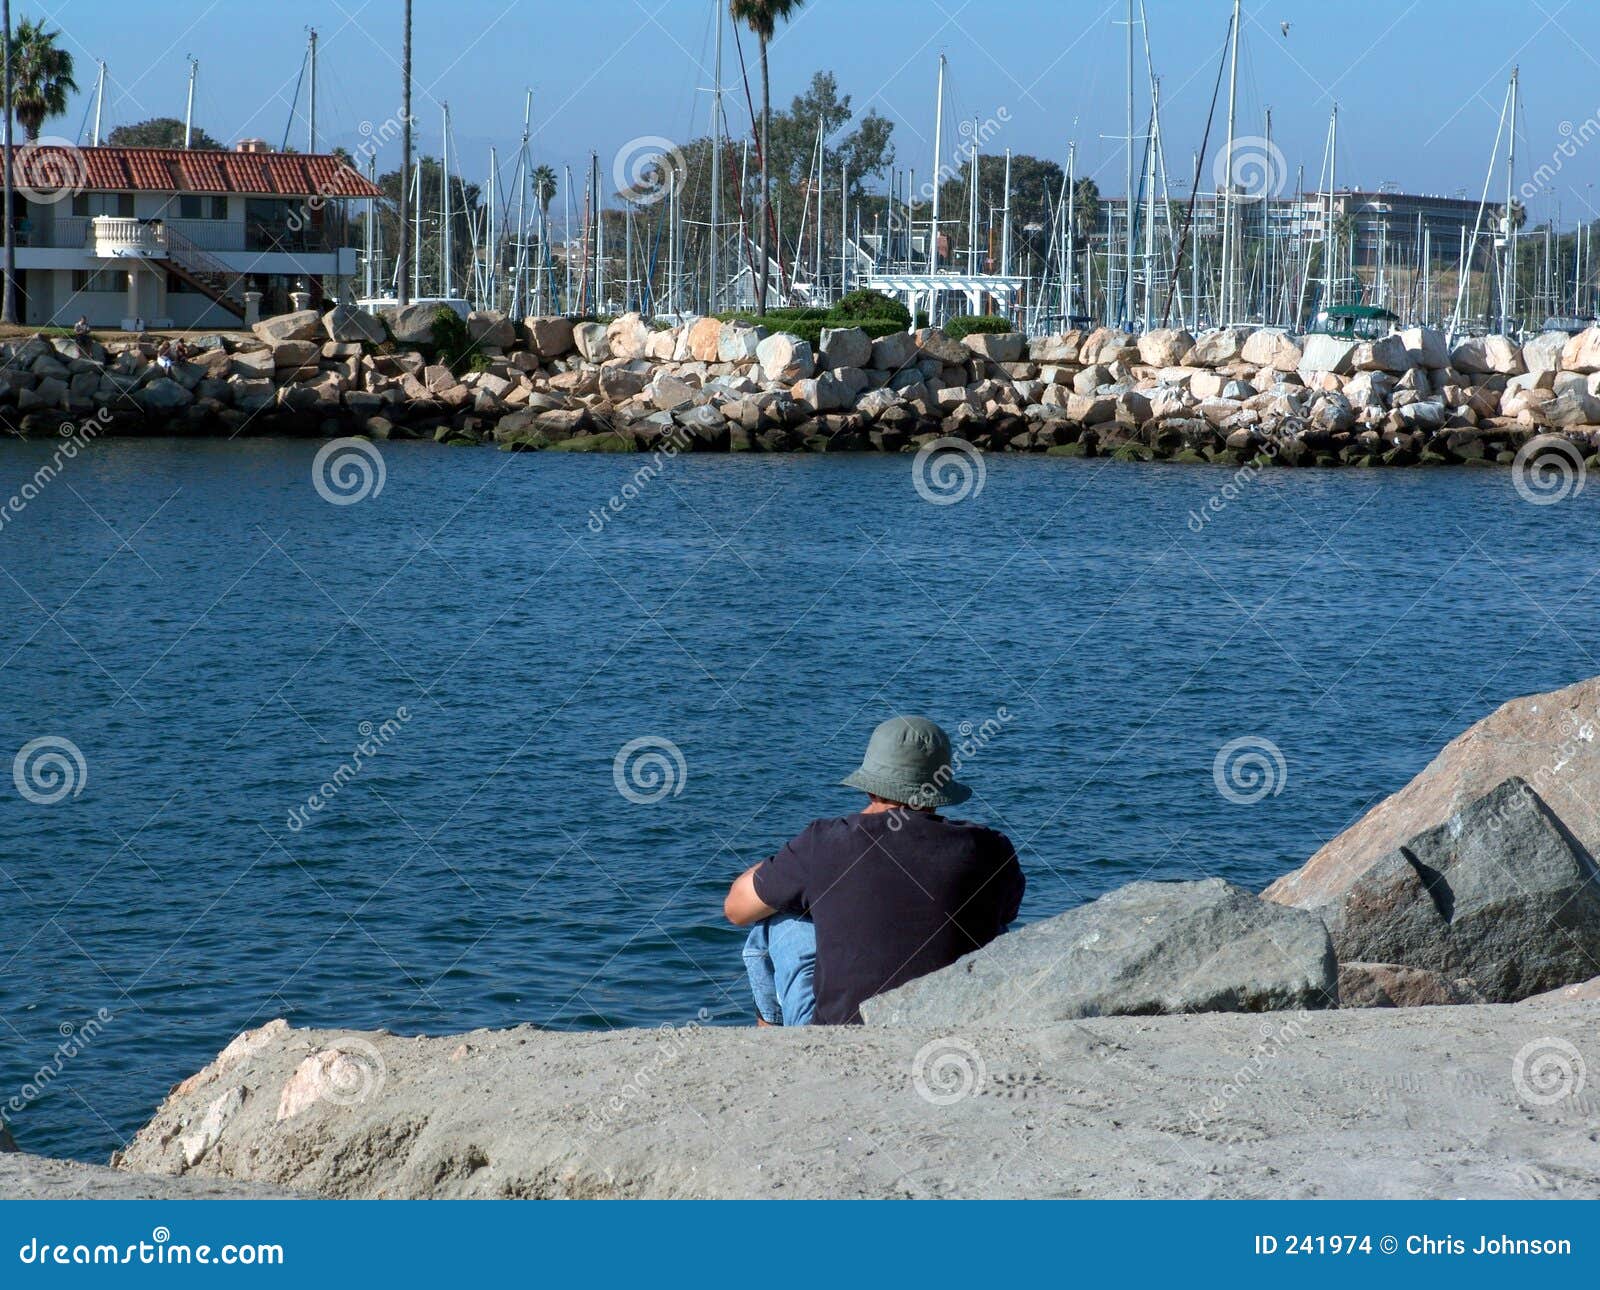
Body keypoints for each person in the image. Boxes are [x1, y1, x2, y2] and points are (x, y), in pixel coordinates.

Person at [724, 716, 1024, 1026]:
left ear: (870, 787)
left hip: (841, 1032)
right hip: (952, 1021)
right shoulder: (991, 848)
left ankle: (773, 1049)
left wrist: (794, 859)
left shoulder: (824, 842)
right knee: (994, 923)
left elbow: (736, 909)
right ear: (941, 789)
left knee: (772, 918)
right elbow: (1007, 915)